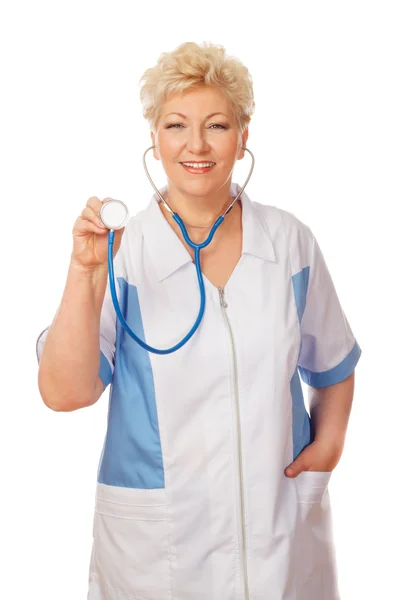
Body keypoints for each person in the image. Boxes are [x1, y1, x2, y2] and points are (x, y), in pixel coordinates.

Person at [36, 41, 362, 600]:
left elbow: (332, 361)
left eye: (216, 124)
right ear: (154, 139)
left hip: (277, 535)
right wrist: (84, 272)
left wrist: (329, 443)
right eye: (175, 124)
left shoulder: (288, 244)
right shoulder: (125, 252)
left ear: (243, 137)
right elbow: (64, 393)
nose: (196, 144)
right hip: (160, 549)